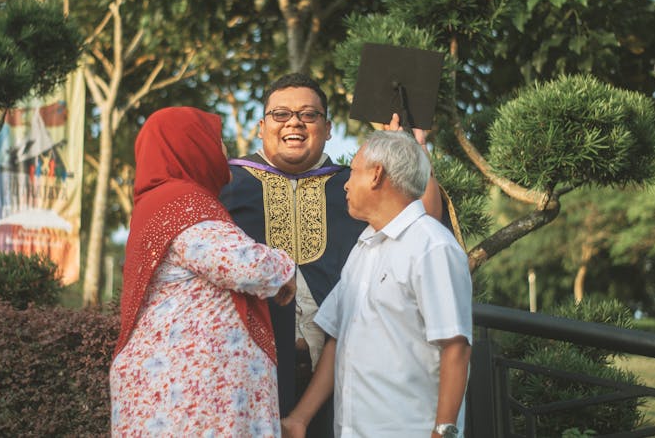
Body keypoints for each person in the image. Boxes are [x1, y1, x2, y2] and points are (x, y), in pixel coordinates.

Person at [219, 73, 447, 437]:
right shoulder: (226, 185)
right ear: (261, 127)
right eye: (281, 114)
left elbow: (423, 224)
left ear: (327, 128)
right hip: (244, 374)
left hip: (343, 375)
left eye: (309, 115)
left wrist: (414, 150)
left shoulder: (354, 184)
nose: (294, 122)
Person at [110, 107, 297, 437]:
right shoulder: (182, 200)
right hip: (192, 396)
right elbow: (243, 264)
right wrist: (284, 270)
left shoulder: (161, 201)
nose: (224, 150)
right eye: (217, 140)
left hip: (182, 393)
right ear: (190, 145)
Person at [281, 130, 473, 438]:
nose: (345, 182)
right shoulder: (363, 248)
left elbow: (456, 347)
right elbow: (336, 338)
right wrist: (300, 418)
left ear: (376, 175)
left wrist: (444, 432)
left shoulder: (432, 246)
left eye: (354, 171)